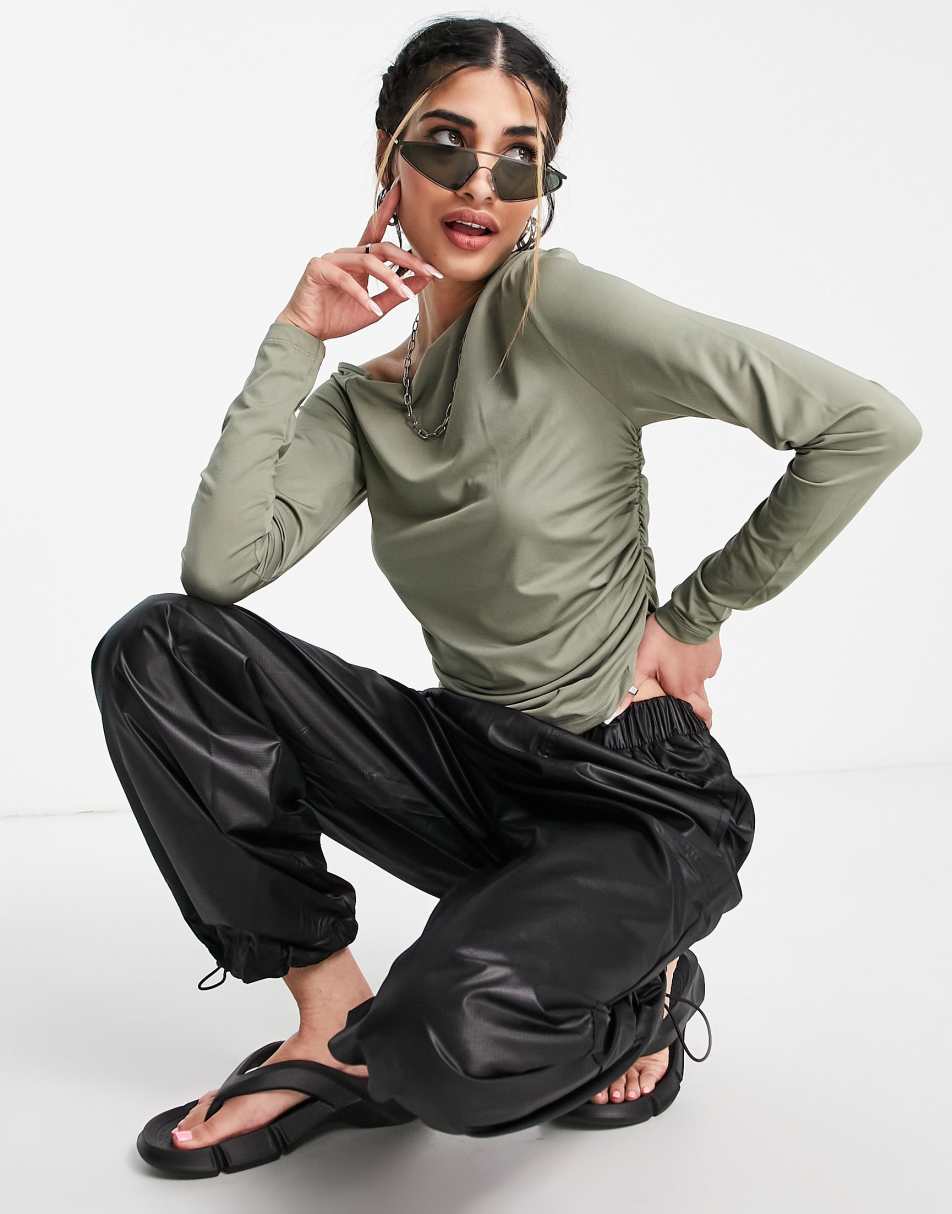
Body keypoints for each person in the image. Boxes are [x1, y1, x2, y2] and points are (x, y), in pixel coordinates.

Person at [90, 16, 922, 1173]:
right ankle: (330, 1020)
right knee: (162, 648)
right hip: (475, 766)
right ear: (388, 158)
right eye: (445, 144)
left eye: (517, 158)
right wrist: (297, 334)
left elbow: (865, 425)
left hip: (633, 795)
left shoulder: (561, 309)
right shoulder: (362, 404)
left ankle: (645, 992)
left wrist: (695, 614)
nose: (481, 182)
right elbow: (220, 572)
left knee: (439, 1046)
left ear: (540, 187)